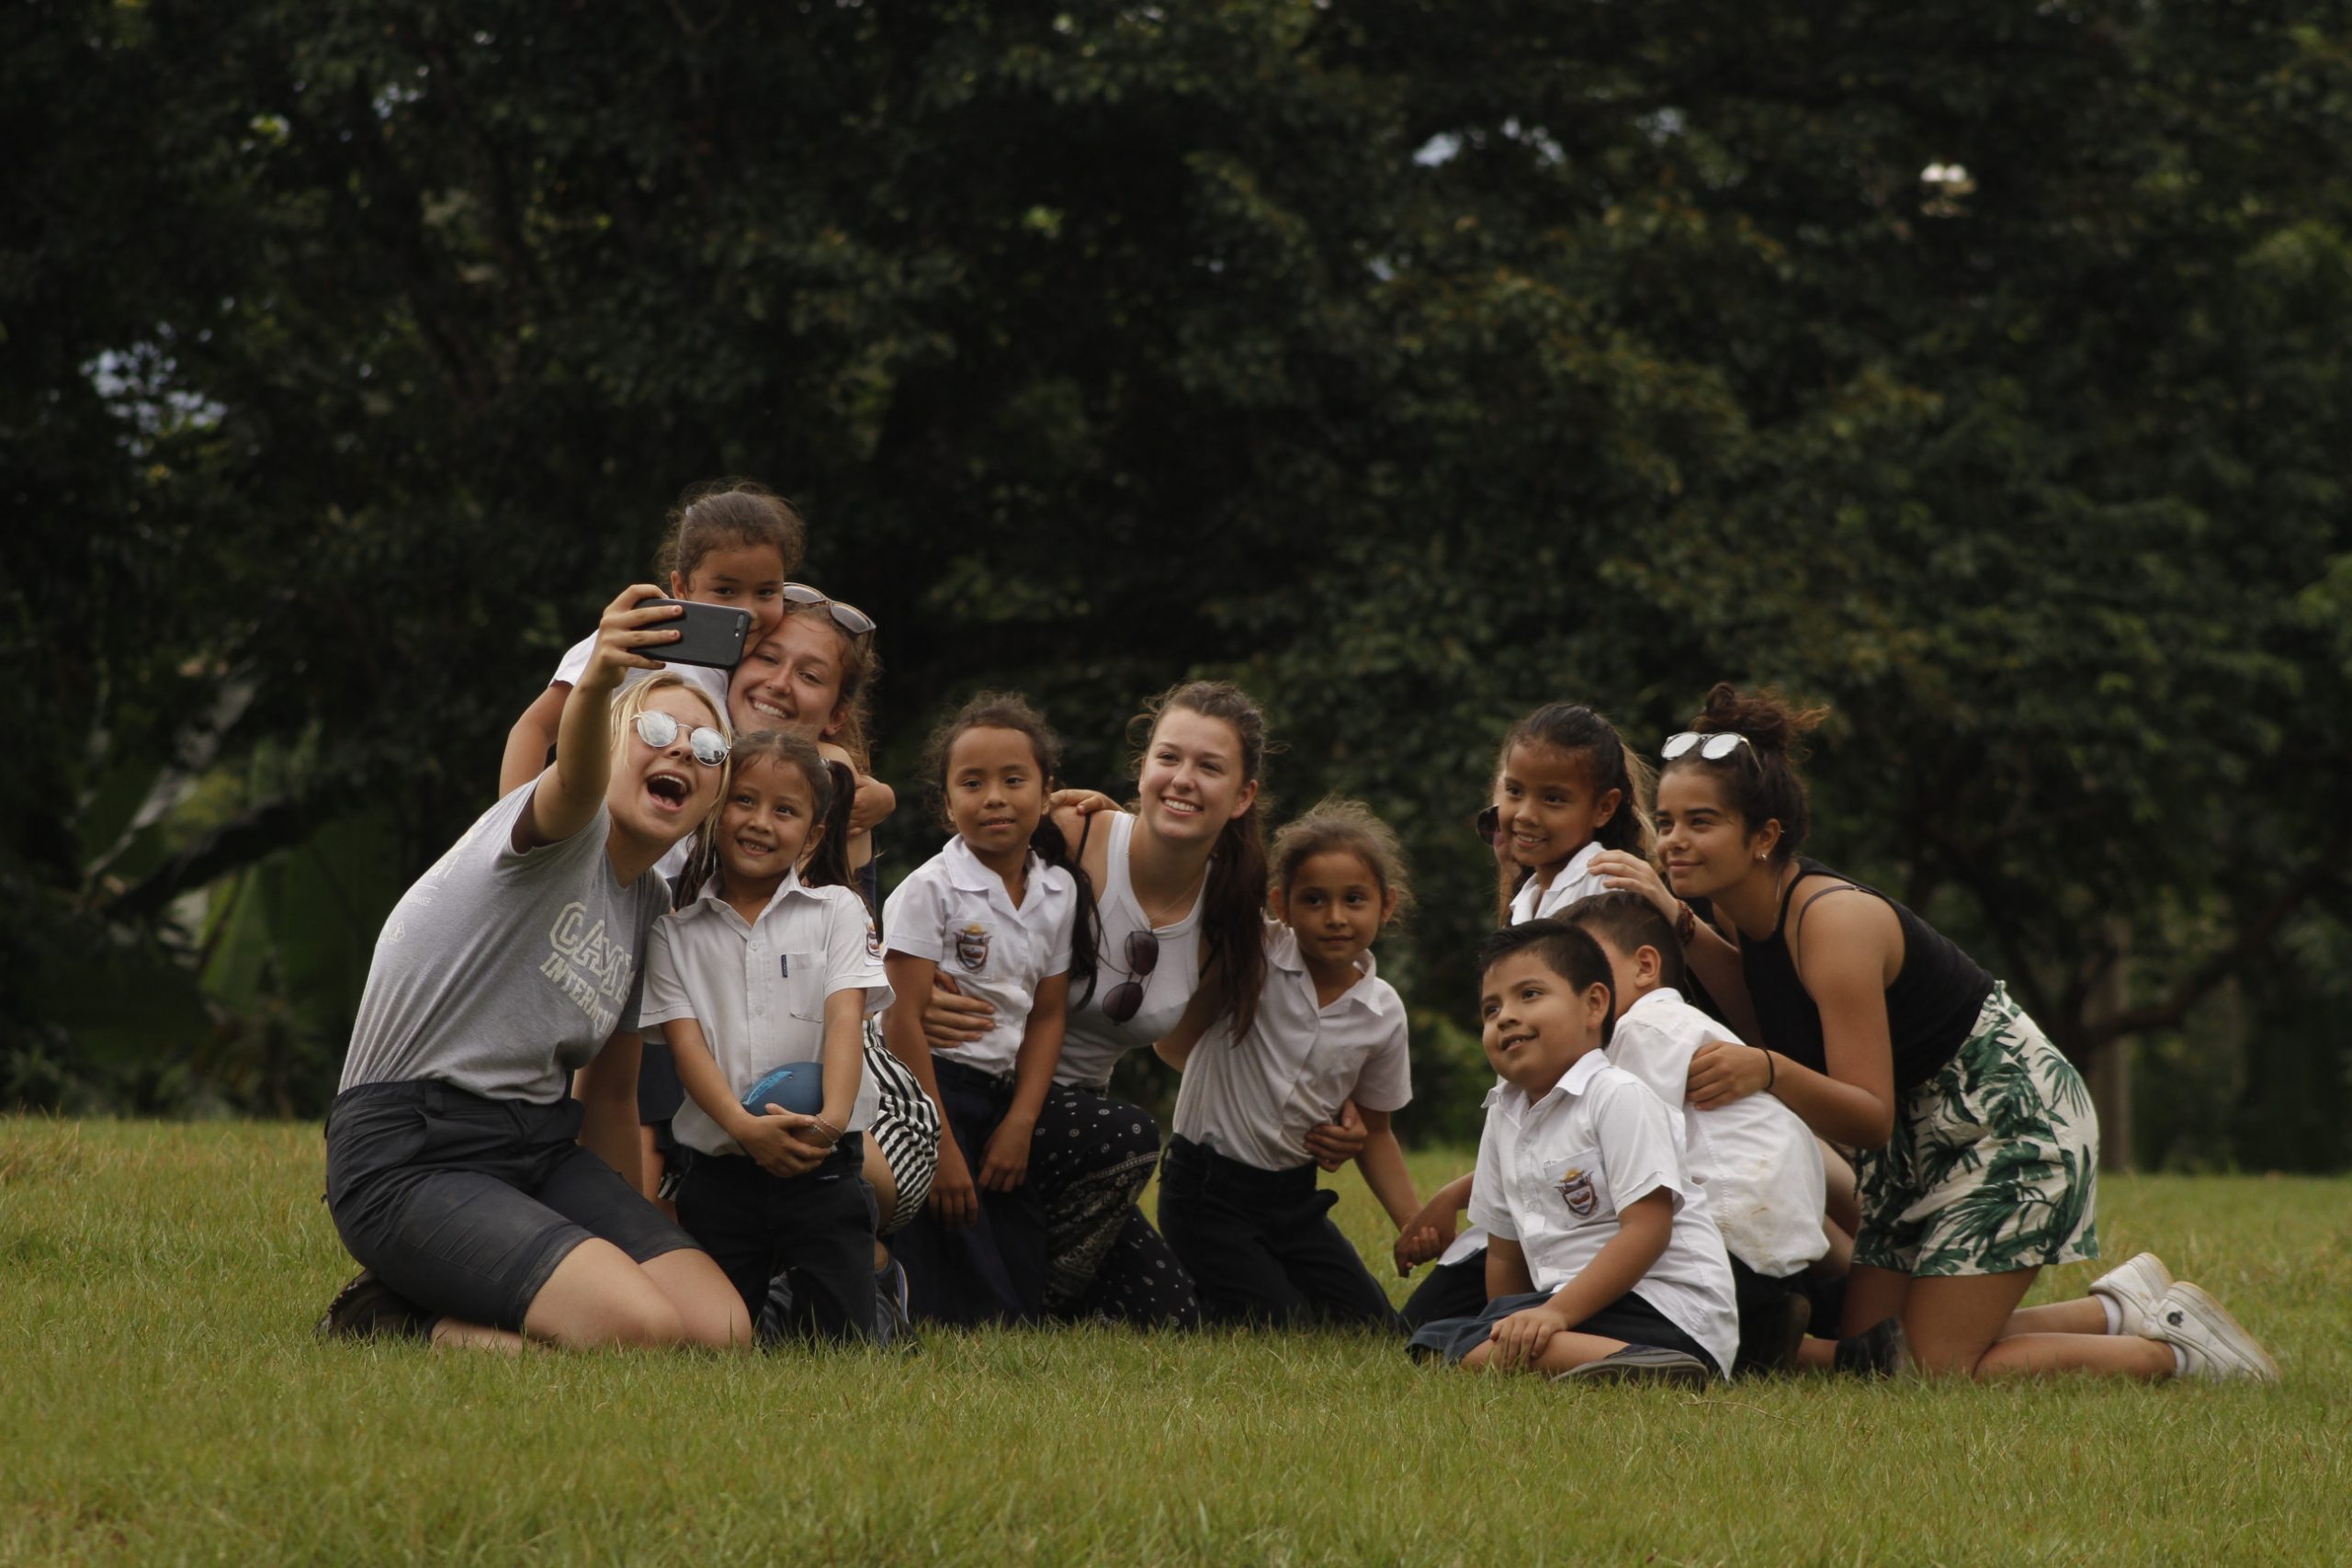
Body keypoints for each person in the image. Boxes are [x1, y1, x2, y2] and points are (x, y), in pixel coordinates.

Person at [1595, 682, 2277, 1382]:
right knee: (1873, 1347)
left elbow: (1866, 1113)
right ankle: (2115, 1309)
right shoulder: (1733, 907)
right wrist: (1677, 917)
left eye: (1700, 822)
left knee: (1931, 1364)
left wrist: (1766, 1069)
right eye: (1668, 821)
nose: (1674, 841)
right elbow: (1763, 1006)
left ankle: (2176, 1355)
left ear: (1764, 836)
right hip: (1918, 1148)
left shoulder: (1833, 923)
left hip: (2010, 1127)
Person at [317, 590, 751, 1351]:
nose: (682, 749)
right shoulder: (562, 830)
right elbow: (575, 774)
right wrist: (599, 676)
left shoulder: (650, 906)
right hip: (411, 1150)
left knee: (718, 1333)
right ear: (612, 743)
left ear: (713, 793)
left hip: (537, 1149)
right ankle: (399, 1321)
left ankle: (537, 1297)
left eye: (709, 747)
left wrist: (634, 1237)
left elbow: (612, 1095)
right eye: (654, 729)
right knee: (636, 1332)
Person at [922, 682, 1312, 1327]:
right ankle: (1022, 1294)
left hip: (1071, 1144)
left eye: (1209, 767)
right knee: (1130, 1134)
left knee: (1171, 1314)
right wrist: (914, 997)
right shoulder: (1072, 833)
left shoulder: (1226, 914)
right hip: (979, 1097)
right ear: (1143, 768)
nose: (1183, 780)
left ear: (1243, 796)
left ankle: (1012, 1260)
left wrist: (1335, 1102)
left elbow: (1180, 1048)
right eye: (1169, 758)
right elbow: (946, 903)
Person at [1394, 702, 1656, 1328]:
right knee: (1428, 1326)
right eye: (1514, 791)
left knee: (1446, 1327)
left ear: (1603, 807)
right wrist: (1458, 1195)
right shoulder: (1533, 894)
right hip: (1541, 1163)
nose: (1525, 814)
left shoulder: (1598, 893)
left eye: (1554, 798)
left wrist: (1458, 1196)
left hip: (1595, 1174)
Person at [639, 730, 891, 1344]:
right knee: (720, 1336)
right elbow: (688, 1048)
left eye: (785, 810)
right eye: (744, 800)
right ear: (713, 809)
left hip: (824, 1164)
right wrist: (742, 1127)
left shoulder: (838, 911)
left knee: (846, 1342)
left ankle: (882, 1305)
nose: (760, 822)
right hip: (721, 1171)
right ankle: (778, 1309)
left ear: (811, 834)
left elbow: (843, 1019)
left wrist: (830, 1122)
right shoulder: (674, 934)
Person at [1408, 921, 1737, 1386]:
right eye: (1491, 1008)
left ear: (1594, 1004)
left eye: (1530, 995)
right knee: (1441, 1337)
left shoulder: (1618, 1096)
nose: (1505, 1017)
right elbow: (1505, 1254)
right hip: (1582, 1308)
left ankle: (1662, 1365)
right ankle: (1617, 1364)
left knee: (1463, 1345)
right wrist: (1511, 1319)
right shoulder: (1503, 1115)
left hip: (1665, 1306)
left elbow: (1648, 1229)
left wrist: (1553, 1314)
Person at [722, 585, 934, 1301]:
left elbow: (840, 779)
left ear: (836, 711)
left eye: (810, 675)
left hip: (863, 1101)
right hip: (729, 1086)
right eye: (767, 658)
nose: (781, 683)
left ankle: (865, 1270)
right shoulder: (679, 775)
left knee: (799, 1153)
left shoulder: (840, 792)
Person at [1154, 798, 1423, 1330]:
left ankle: (1229, 1282)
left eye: (1355, 899)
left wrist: (1413, 1223)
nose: (1336, 917)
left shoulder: (1382, 1011)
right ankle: (1175, 1293)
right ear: (1282, 903)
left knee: (1377, 1329)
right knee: (1282, 1325)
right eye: (1314, 900)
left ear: (1386, 905)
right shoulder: (1253, 954)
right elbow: (1196, 876)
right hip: (1206, 1192)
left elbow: (1375, 1131)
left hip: (1293, 1202)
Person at [882, 694, 1095, 1324]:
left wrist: (1021, 1122)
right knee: (964, 1273)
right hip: (928, 1090)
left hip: (1001, 1098)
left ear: (1047, 791)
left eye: (1013, 779)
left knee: (1019, 1275)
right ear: (947, 803)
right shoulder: (929, 890)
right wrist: (940, 1146)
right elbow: (901, 1022)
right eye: (971, 783)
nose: (994, 797)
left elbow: (1049, 1013)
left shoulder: (1057, 890)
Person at [1559, 890, 1828, 1372]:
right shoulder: (1683, 1025)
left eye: (1585, 973)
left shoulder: (1643, 1029)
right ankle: (1787, 1337)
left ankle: (1769, 1331)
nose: (1574, 992)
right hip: (1772, 1253)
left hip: (1730, 1246)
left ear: (1645, 967)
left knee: (1596, 1303)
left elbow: (1627, 1150)